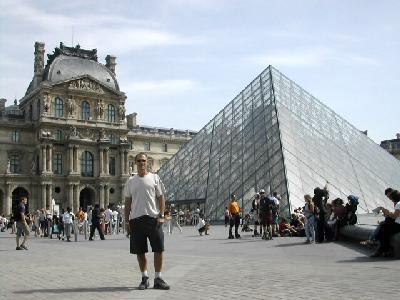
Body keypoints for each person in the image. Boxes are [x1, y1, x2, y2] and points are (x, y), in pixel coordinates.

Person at [124, 152, 170, 290]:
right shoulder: (131, 181)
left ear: (147, 162)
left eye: (143, 160)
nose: (141, 163)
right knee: (140, 252)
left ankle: (158, 278)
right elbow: (127, 203)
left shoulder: (155, 178)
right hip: (136, 220)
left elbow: (161, 198)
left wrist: (161, 215)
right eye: (139, 161)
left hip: (153, 219)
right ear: (135, 163)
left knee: (159, 249)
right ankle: (144, 278)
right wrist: (127, 222)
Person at [370, 188, 400, 257]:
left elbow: (395, 216)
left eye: (390, 197)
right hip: (397, 223)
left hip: (398, 225)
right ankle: (382, 249)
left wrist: (384, 210)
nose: (389, 198)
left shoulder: (398, 204)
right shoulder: (398, 203)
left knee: (383, 228)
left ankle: (375, 243)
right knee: (384, 226)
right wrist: (388, 214)